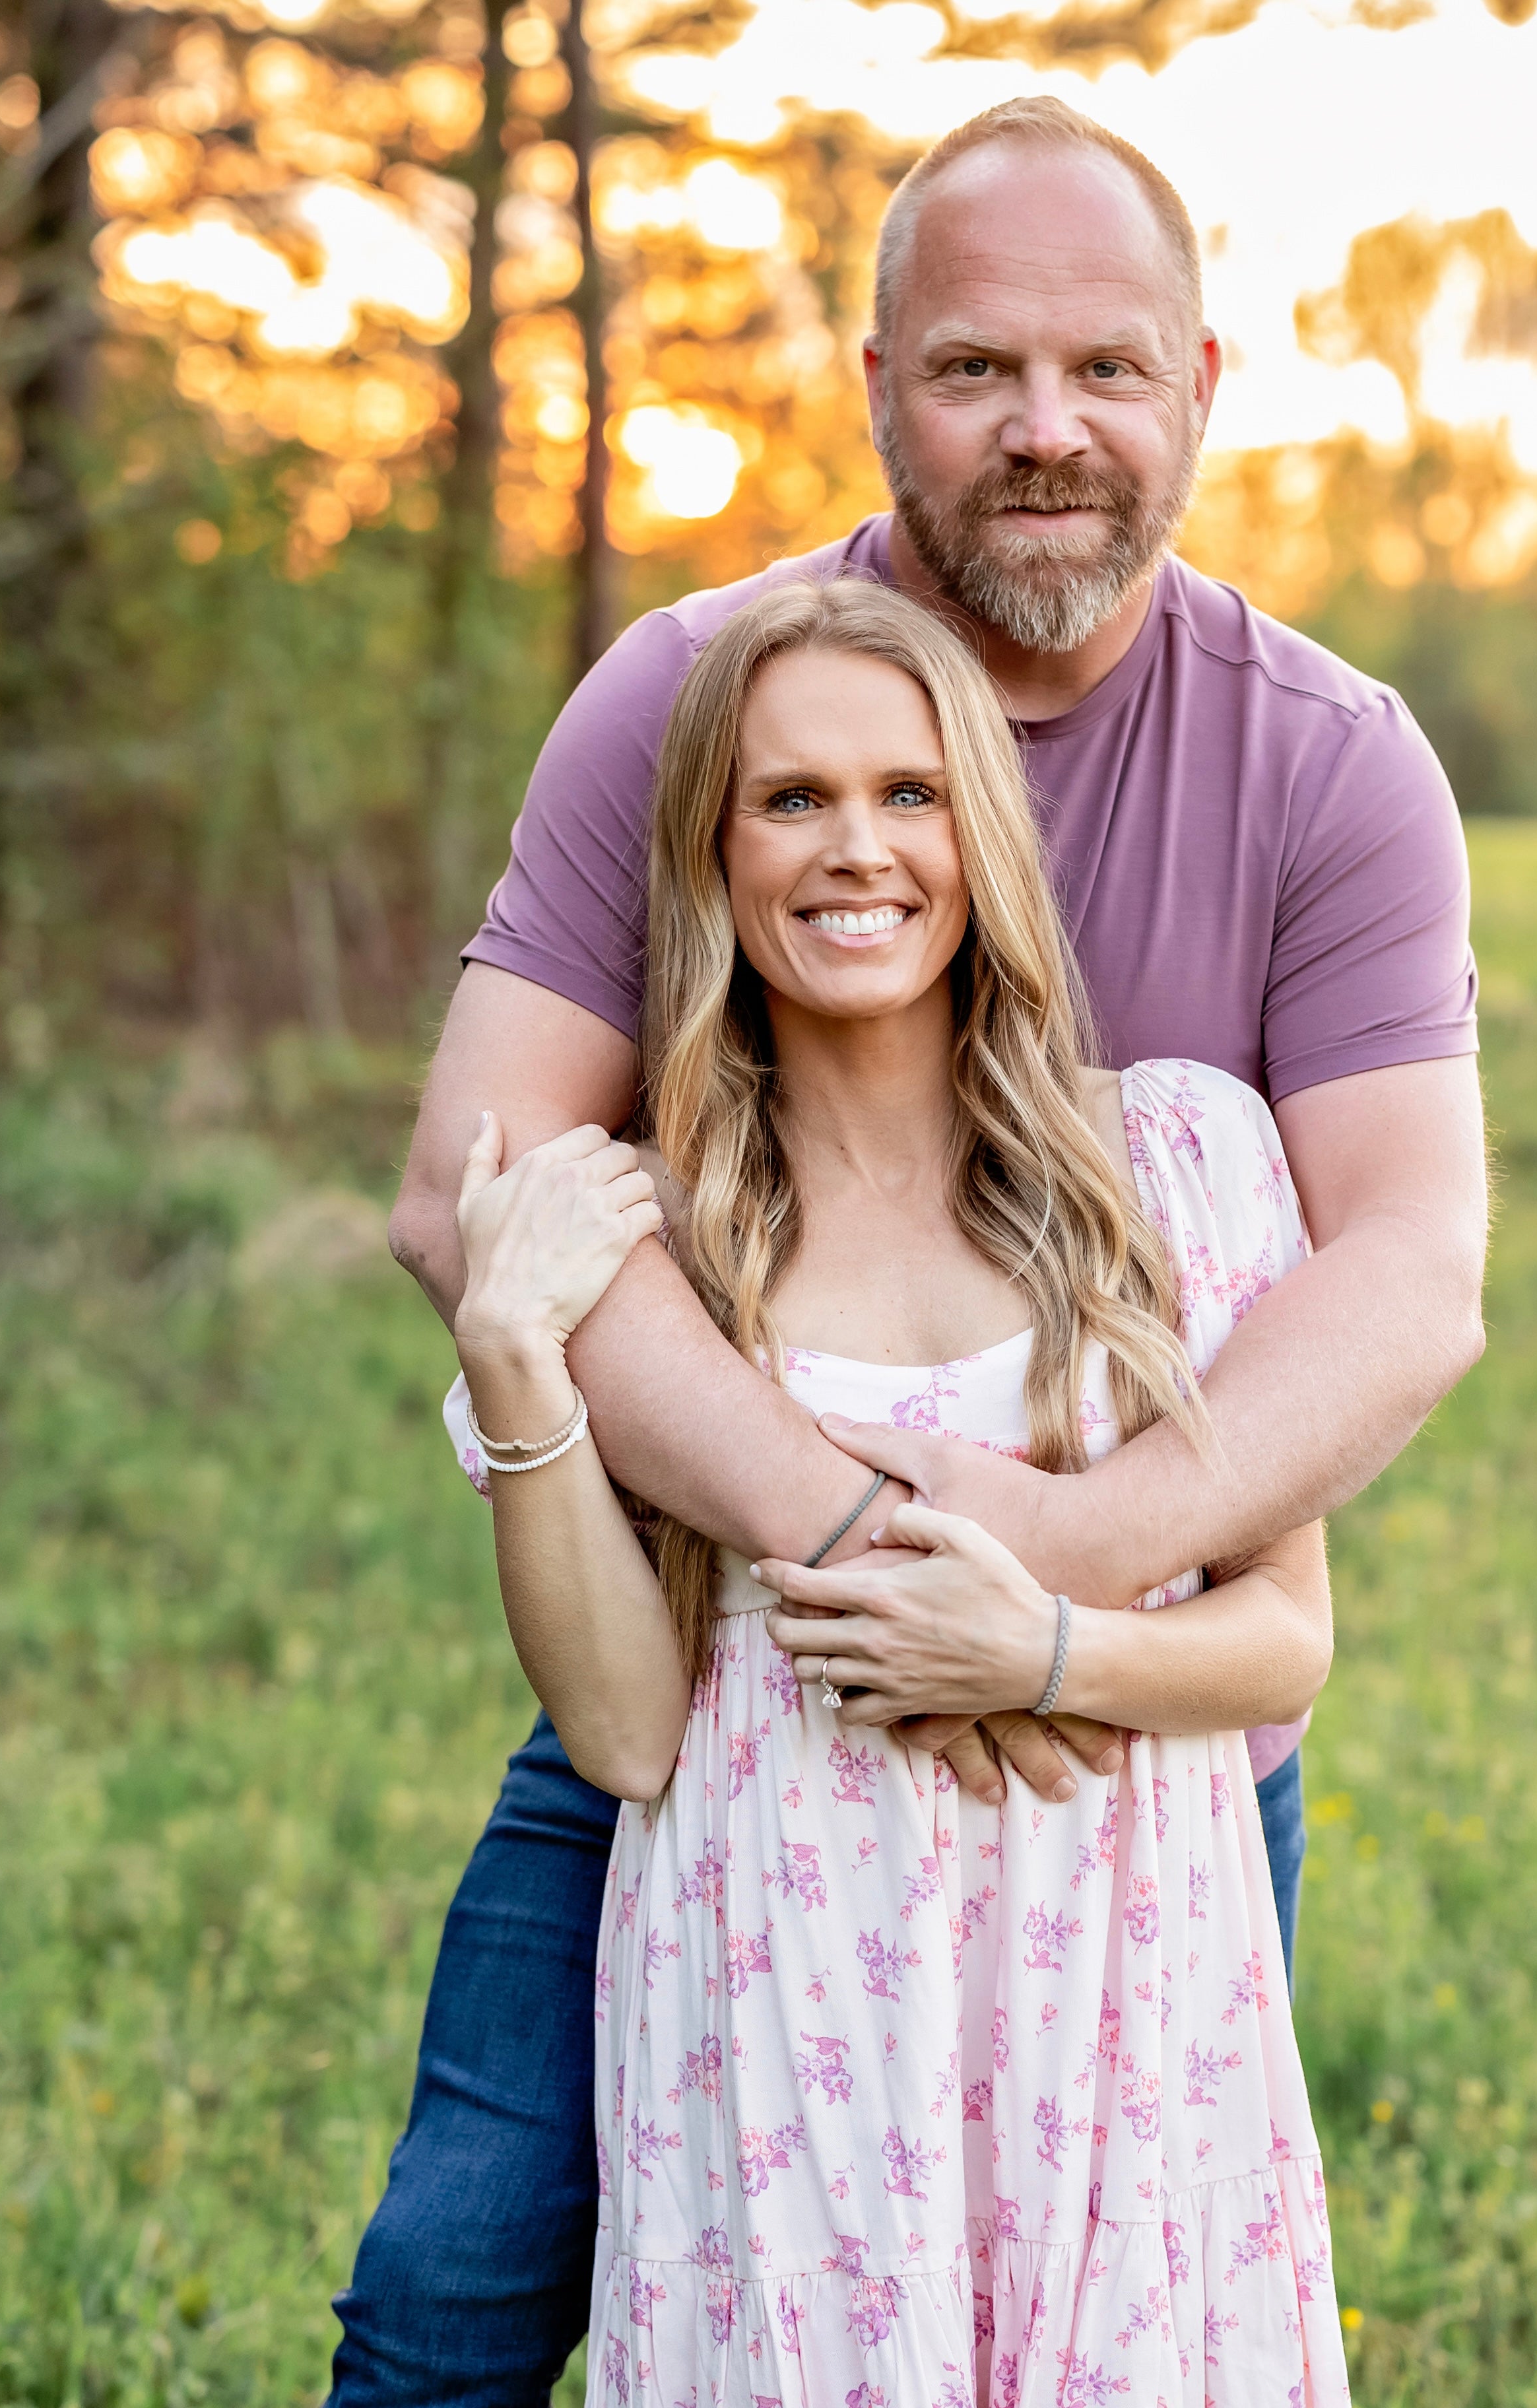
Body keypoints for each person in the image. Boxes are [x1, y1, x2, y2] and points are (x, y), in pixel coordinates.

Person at [333, 92, 1486, 2408]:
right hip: (732, 1684)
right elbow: (477, 1179)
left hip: (1130, 1753)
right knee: (460, 2288)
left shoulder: (1329, 766)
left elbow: (1402, 1278)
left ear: (1200, 387)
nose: (1043, 431)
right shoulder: (694, 698)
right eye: (975, 369)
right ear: (877, 388)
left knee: (1112, 2317)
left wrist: (1057, 1584)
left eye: (1104, 369)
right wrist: (846, 1543)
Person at [450, 575, 1348, 2404]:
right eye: (791, 801)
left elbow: (1285, 1642)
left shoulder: (1171, 1165)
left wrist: (1039, 1653)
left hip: (1110, 1987)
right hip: (778, 2010)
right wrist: (519, 1373)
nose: (856, 850)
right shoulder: (650, 1237)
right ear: (713, 853)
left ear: (982, 836)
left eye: (908, 794)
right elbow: (627, 1734)